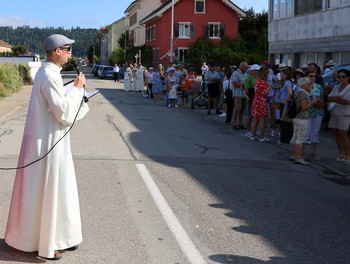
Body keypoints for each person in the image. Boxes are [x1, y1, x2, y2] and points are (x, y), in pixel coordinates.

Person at [5, 34, 89, 260]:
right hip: (48, 144)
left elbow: (56, 105)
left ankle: (61, 237)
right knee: (49, 191)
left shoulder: (49, 74)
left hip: (52, 140)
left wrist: (73, 89)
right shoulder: (48, 75)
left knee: (60, 189)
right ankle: (47, 245)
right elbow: (62, 111)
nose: (70, 52)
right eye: (67, 48)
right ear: (56, 51)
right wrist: (78, 89)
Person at [290, 78, 315, 165]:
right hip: (302, 117)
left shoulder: (297, 92)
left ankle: (293, 155)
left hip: (296, 117)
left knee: (294, 136)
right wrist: (311, 103)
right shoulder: (304, 93)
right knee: (300, 138)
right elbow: (304, 107)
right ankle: (298, 157)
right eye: (309, 84)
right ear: (304, 85)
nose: (310, 86)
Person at [327, 69, 350, 163]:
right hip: (334, 112)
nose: (340, 78)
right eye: (339, 76)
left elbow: (347, 102)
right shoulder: (336, 87)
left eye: (343, 76)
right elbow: (329, 97)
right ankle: (341, 153)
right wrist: (338, 98)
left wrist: (335, 99)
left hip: (344, 114)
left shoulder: (349, 88)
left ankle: (348, 155)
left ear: (348, 77)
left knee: (343, 134)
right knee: (336, 134)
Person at [302, 70, 324, 159]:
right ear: (306, 76)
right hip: (306, 111)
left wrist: (319, 102)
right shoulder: (302, 86)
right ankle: (302, 152)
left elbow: (322, 98)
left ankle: (314, 152)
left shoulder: (318, 86)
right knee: (305, 133)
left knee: (315, 132)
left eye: (315, 76)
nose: (313, 78)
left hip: (317, 111)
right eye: (311, 76)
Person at [250, 67, 270, 142]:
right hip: (261, 101)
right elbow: (263, 93)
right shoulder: (262, 82)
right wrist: (268, 89)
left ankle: (253, 135)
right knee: (262, 119)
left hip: (256, 100)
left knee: (255, 118)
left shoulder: (257, 81)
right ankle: (261, 137)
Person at [277, 68, 293, 145]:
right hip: (285, 103)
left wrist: (285, 100)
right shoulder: (286, 82)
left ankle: (284, 140)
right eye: (281, 74)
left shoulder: (287, 82)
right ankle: (287, 139)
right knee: (288, 122)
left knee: (284, 122)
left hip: (285, 104)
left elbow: (290, 92)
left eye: (283, 74)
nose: (281, 76)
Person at [231, 62, 249, 130]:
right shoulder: (236, 73)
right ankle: (234, 123)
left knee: (242, 109)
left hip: (244, 94)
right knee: (237, 109)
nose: (247, 69)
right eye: (246, 67)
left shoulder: (246, 74)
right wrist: (242, 85)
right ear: (241, 67)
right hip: (238, 94)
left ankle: (240, 123)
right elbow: (234, 83)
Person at [244, 64, 260, 136]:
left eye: (258, 70)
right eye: (256, 70)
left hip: (258, 97)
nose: (257, 72)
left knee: (256, 115)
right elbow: (246, 90)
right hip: (252, 97)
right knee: (250, 115)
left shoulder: (259, 78)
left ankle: (254, 130)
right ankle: (248, 130)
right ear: (252, 71)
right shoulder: (248, 78)